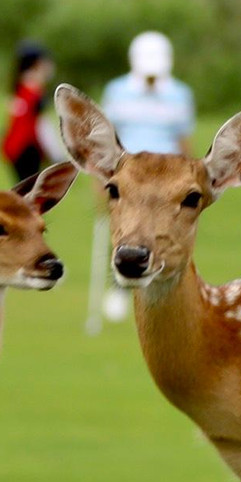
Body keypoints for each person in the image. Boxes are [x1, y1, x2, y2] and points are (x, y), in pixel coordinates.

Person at [90, 31, 196, 325]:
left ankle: (159, 294)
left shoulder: (180, 94)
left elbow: (183, 140)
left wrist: (192, 180)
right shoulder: (118, 90)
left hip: (168, 181)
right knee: (126, 232)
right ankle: (119, 289)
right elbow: (105, 139)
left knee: (159, 235)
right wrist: (100, 182)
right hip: (129, 176)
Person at [0, 41, 61, 184]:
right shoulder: (34, 93)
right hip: (27, 149)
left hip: (16, 149)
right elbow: (41, 125)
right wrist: (56, 153)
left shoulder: (21, 88)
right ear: (37, 64)